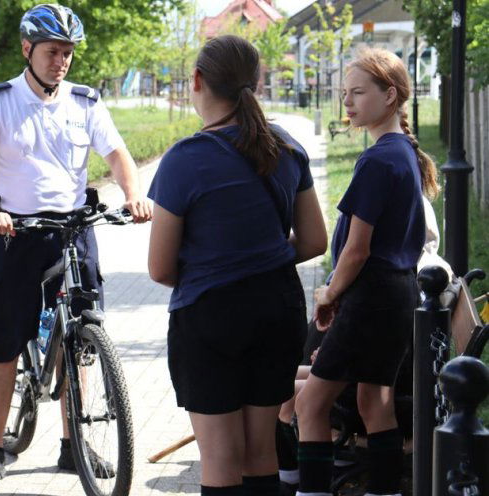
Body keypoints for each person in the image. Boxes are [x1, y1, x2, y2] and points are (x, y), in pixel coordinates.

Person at [0, 3, 152, 490]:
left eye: (67, 52)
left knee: (82, 339)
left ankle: (73, 444)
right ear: (28, 50)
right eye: (52, 52)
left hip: (73, 231)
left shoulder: (85, 102)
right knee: (3, 345)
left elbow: (117, 155)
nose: (61, 60)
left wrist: (132, 193)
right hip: (16, 234)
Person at [147, 35, 327, 496]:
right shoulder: (287, 148)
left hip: (210, 315)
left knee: (221, 461)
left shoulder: (184, 159)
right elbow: (313, 241)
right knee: (260, 452)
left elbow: (161, 268)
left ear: (198, 81)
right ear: (258, 82)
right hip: (278, 307)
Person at [294, 48, 439, 496]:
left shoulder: (378, 161)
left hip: (371, 297)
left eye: (358, 92)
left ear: (390, 95)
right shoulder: (402, 154)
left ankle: (311, 491)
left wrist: (328, 295)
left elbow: (356, 251)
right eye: (345, 93)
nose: (348, 103)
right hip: (396, 296)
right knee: (374, 403)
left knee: (310, 403)